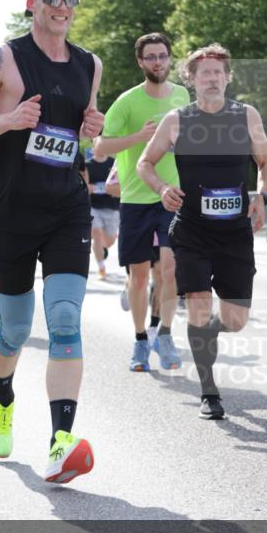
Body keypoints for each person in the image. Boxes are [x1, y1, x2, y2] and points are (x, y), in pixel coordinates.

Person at [0, 0, 104, 484]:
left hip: (67, 208)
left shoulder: (90, 63)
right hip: (12, 212)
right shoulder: (2, 59)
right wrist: (8, 121)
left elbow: (84, 131)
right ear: (32, 4)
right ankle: (2, 400)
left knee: (64, 319)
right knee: (14, 329)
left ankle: (61, 443)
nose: (62, 6)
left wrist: (93, 126)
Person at [137, 43, 267, 419]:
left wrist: (261, 196)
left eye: (218, 72)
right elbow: (145, 163)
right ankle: (209, 391)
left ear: (227, 78)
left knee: (235, 321)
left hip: (235, 233)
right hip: (192, 231)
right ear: (192, 80)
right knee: (198, 304)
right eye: (204, 73)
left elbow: (265, 163)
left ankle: (207, 332)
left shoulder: (246, 116)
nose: (212, 78)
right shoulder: (177, 120)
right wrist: (162, 188)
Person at [95, 33, 189, 371]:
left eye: (162, 56)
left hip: (172, 195)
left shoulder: (182, 96)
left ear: (169, 58)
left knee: (169, 268)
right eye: (151, 57)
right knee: (137, 276)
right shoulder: (127, 102)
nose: (157, 62)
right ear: (140, 62)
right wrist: (139, 137)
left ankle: (164, 334)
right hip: (135, 197)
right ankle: (139, 341)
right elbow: (100, 148)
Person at [85, 151, 119, 279]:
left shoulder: (114, 163)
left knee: (109, 241)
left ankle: (100, 247)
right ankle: (101, 267)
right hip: (93, 207)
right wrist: (88, 188)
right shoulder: (87, 165)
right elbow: (83, 185)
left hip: (112, 207)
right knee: (97, 233)